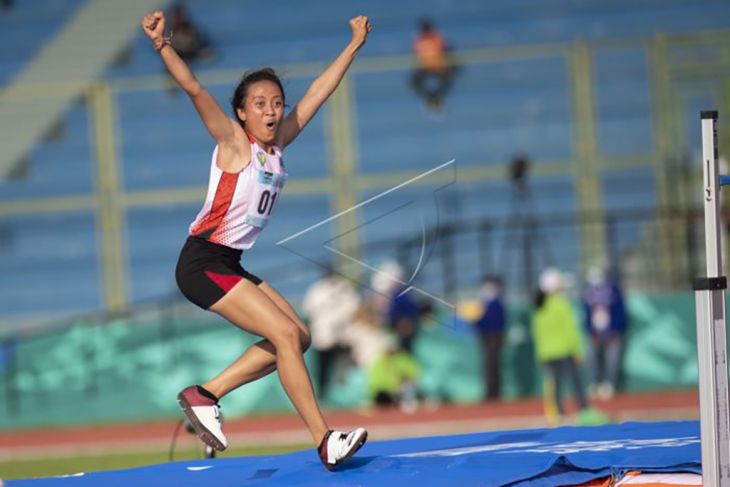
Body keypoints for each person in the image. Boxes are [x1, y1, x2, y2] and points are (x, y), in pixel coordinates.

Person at [141, 10, 372, 469]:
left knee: (299, 337)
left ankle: (205, 395)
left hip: (228, 262)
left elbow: (316, 96)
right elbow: (194, 89)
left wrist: (351, 46)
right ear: (242, 112)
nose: (272, 111)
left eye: (276, 103)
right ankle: (324, 439)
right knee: (286, 333)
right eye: (260, 103)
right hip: (202, 262)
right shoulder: (233, 141)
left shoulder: (278, 144)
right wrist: (163, 45)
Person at [532, 268, 607, 425]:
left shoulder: (539, 307)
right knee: (576, 382)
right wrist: (577, 351)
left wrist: (540, 354)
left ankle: (558, 415)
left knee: (555, 385)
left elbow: (537, 333)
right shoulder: (561, 304)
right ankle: (584, 411)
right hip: (564, 351)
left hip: (547, 353)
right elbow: (570, 331)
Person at [302, 268, 360, 401]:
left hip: (343, 336)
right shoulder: (317, 289)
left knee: (344, 367)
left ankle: (344, 394)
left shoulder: (345, 289)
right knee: (322, 367)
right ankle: (323, 395)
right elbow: (309, 308)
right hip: (322, 336)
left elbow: (353, 309)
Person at [582, 265, 628, 400]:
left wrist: (616, 330)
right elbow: (586, 314)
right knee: (591, 358)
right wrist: (590, 331)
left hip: (612, 333)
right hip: (594, 333)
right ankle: (594, 383)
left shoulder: (614, 290)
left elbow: (620, 312)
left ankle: (608, 385)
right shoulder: (588, 292)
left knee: (612, 360)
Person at [410, 18, 455, 111]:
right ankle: (430, 98)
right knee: (414, 82)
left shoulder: (437, 38)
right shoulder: (419, 40)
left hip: (438, 67)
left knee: (448, 79)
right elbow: (417, 55)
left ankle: (436, 97)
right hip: (425, 68)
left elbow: (444, 51)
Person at [474, 275, 507, 401]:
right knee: (490, 367)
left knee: (492, 366)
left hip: (493, 338)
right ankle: (492, 392)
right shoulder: (487, 304)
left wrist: (477, 324)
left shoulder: (495, 303)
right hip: (488, 338)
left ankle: (493, 393)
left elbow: (491, 322)